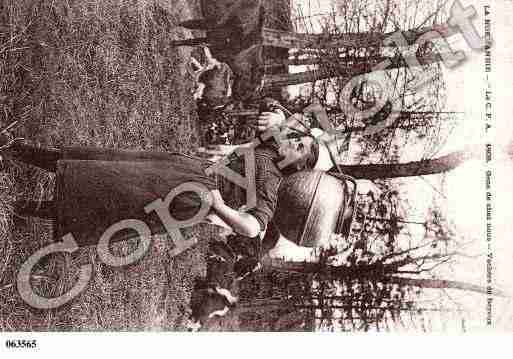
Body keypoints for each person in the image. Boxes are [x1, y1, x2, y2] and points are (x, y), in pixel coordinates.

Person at [1, 105, 320, 249]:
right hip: (184, 170)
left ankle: (20, 205)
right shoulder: (271, 148)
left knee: (107, 198)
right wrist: (282, 116)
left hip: (188, 198)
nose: (293, 141)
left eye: (300, 146)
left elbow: (252, 230)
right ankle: (18, 151)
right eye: (297, 138)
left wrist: (219, 206)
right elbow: (273, 114)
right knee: (102, 164)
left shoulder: (273, 183)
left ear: (298, 165)